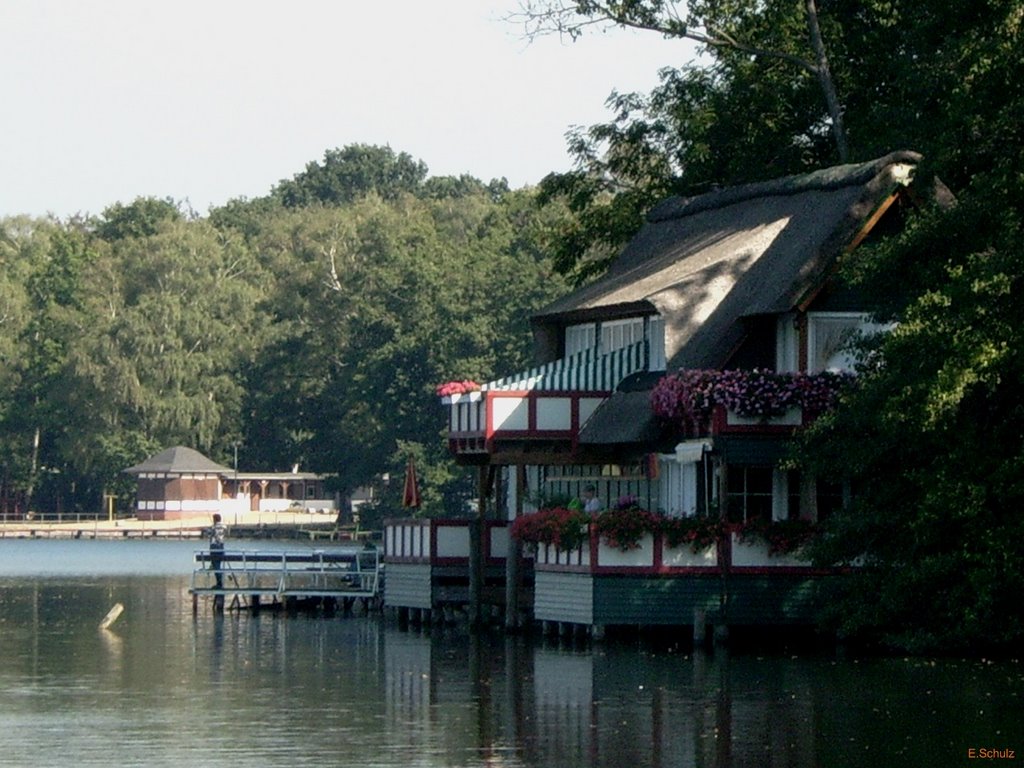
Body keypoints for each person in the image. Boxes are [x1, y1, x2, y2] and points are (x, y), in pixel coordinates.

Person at [208, 513, 226, 589]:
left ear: (215, 519)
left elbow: (210, 535)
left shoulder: (213, 527)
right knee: (218, 564)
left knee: (216, 565)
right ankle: (219, 582)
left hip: (214, 546)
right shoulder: (224, 527)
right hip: (221, 547)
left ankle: (219, 583)